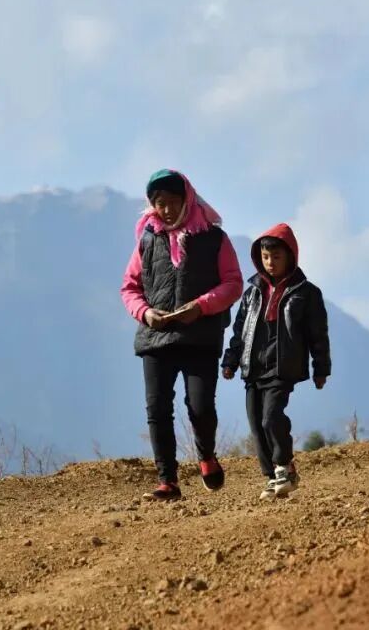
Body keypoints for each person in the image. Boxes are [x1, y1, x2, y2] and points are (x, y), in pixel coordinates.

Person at [120, 169, 243, 501]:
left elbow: (233, 283)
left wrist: (201, 307)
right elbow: (129, 288)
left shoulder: (215, 238)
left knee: (200, 406)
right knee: (157, 408)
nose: (168, 210)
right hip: (155, 337)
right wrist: (146, 313)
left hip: (200, 336)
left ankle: (206, 456)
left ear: (187, 200)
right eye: (160, 204)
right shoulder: (147, 239)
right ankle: (167, 481)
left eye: (174, 202)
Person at [221, 223, 331, 499]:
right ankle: (272, 477)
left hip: (283, 367)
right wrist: (231, 360)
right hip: (253, 367)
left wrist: (321, 368)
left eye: (276, 257)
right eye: (265, 257)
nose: (270, 263)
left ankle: (286, 466)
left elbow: (318, 334)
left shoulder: (307, 293)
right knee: (257, 424)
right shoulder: (252, 292)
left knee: (272, 417)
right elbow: (239, 331)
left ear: (290, 256)